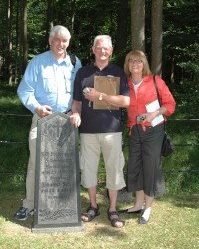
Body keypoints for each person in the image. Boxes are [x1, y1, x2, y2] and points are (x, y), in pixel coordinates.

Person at [14, 25, 82, 221]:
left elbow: (79, 93)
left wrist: (77, 111)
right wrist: (37, 108)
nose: (61, 44)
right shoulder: (38, 62)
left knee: (65, 165)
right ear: (50, 41)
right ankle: (29, 204)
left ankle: (62, 205)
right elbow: (24, 90)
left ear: (68, 42)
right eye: (57, 40)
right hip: (43, 119)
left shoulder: (75, 63)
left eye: (65, 41)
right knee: (37, 162)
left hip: (68, 120)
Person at [70, 35, 130, 228]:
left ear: (111, 51)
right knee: (88, 168)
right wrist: (76, 114)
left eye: (106, 48)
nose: (102, 51)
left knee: (114, 169)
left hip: (112, 130)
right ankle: (93, 205)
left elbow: (126, 102)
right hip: (88, 130)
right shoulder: (83, 73)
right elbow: (77, 102)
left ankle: (112, 209)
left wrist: (100, 96)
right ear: (93, 49)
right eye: (99, 48)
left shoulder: (119, 72)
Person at [119, 50, 176, 225]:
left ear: (144, 64)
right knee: (135, 166)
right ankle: (137, 204)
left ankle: (147, 207)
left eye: (139, 61)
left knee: (150, 167)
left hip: (153, 131)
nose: (135, 64)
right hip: (134, 131)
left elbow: (170, 104)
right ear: (127, 64)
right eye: (131, 61)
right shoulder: (125, 84)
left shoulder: (155, 81)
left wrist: (155, 113)